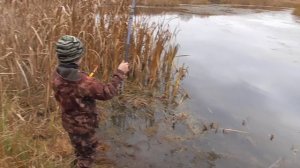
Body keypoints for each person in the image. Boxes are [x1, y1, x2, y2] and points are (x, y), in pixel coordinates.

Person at [52, 35, 129, 168]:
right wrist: (120, 73)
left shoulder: (57, 74)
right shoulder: (84, 82)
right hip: (84, 127)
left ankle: (82, 154)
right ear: (78, 57)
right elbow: (107, 92)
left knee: (81, 148)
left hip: (69, 124)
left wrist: (82, 75)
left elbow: (73, 85)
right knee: (87, 158)